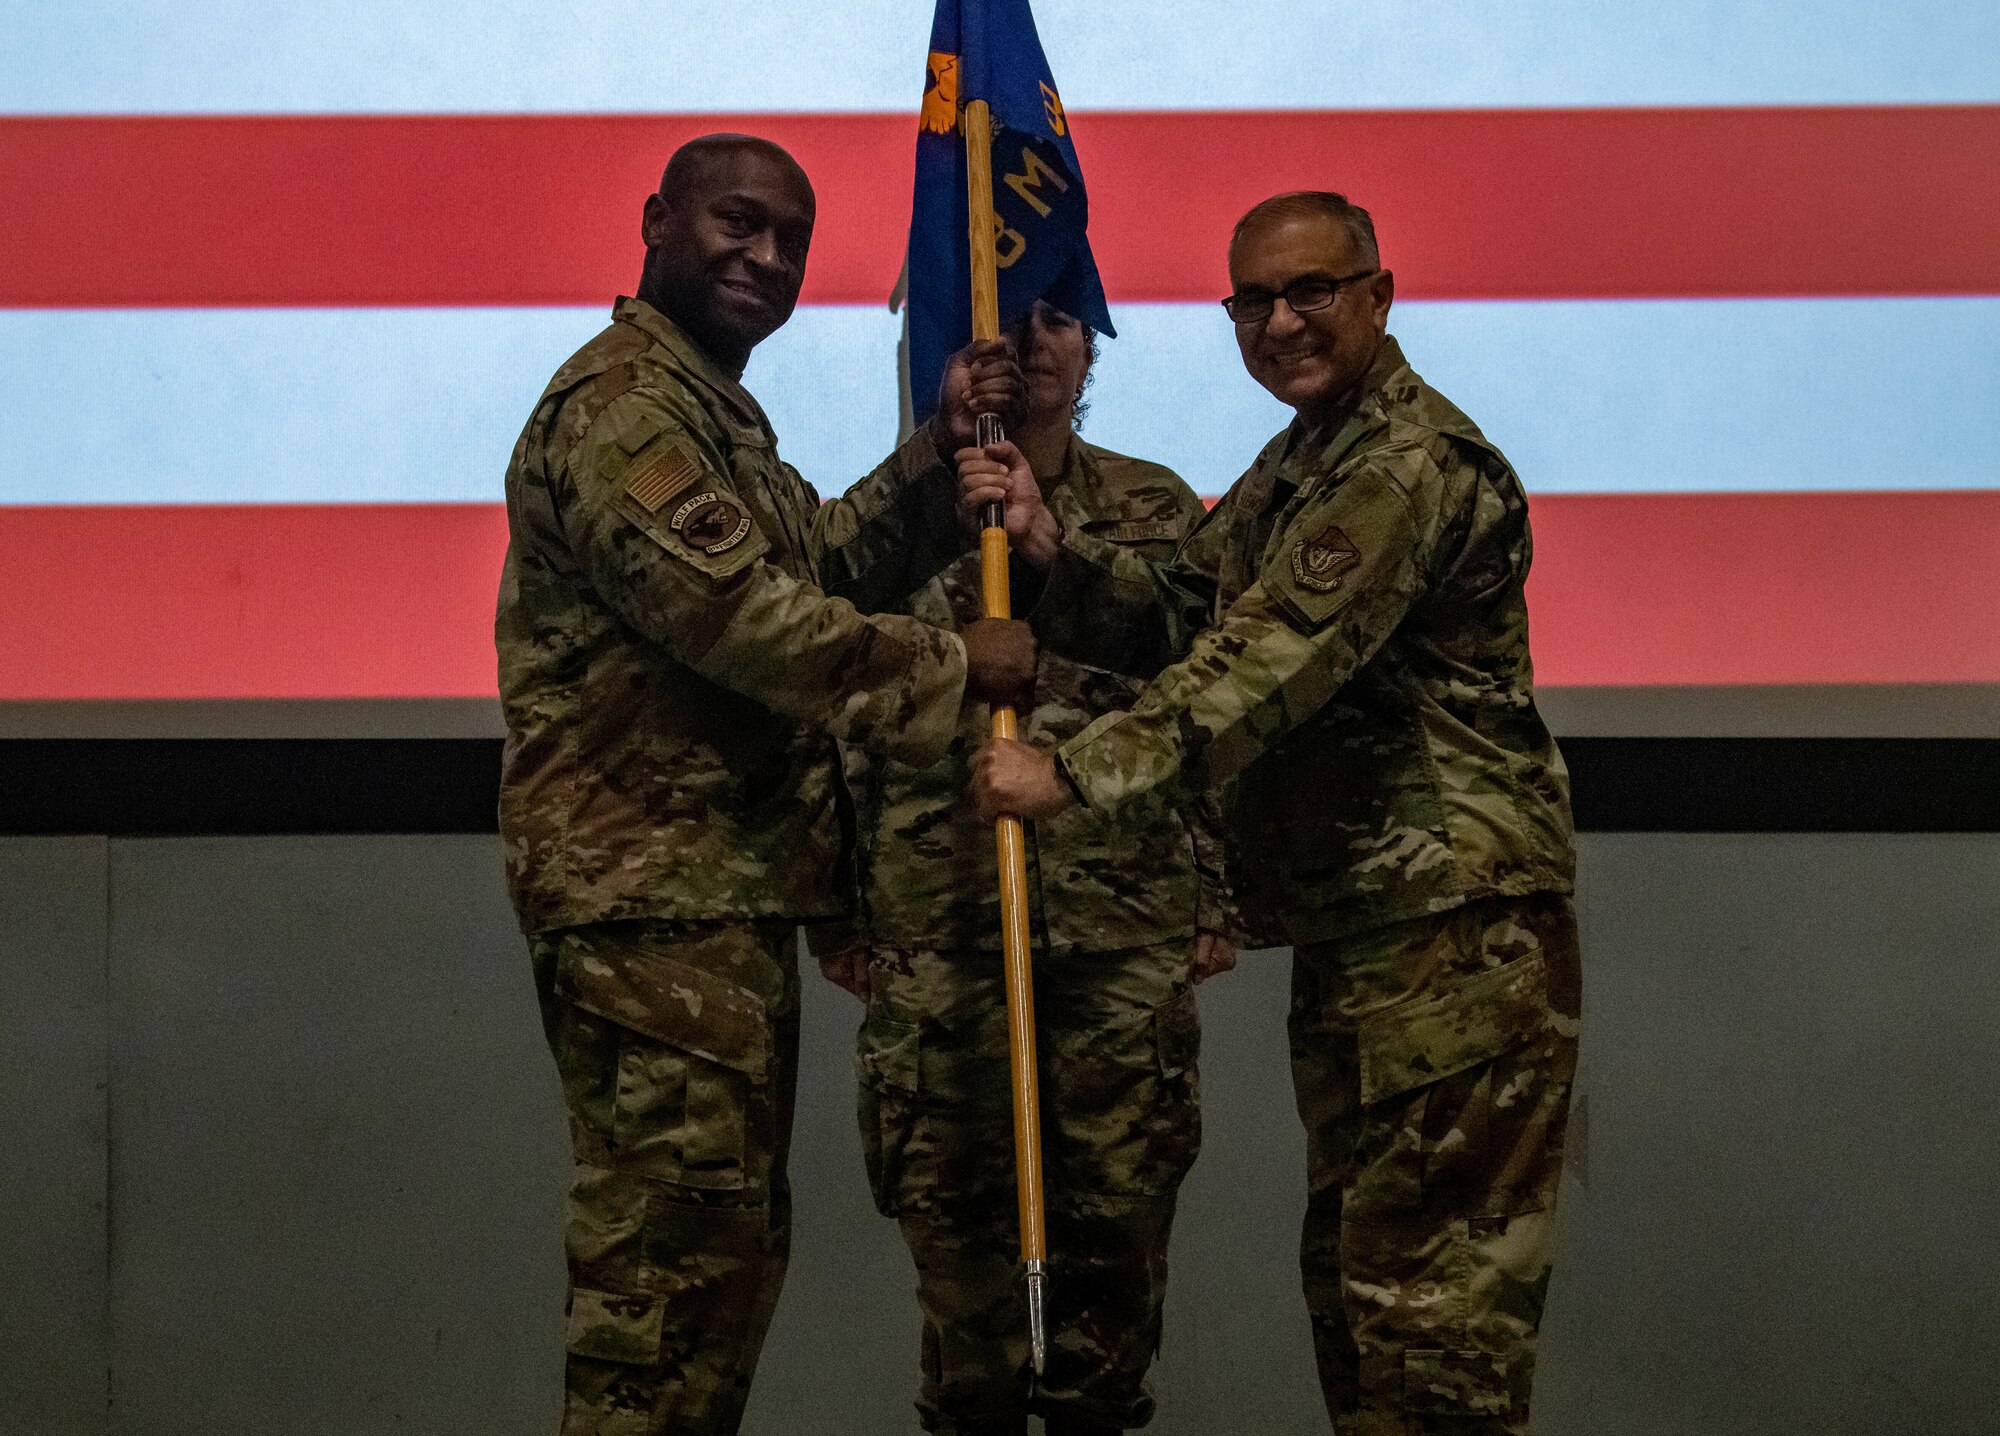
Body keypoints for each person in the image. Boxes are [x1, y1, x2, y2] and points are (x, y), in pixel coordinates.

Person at [960, 192, 1580, 1435]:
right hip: (1370, 937)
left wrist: (1070, 776)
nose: (1282, 321)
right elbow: (1186, 601)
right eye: (1254, 300)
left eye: (1313, 291)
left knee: (1431, 1334)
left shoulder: (1402, 462)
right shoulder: (1306, 458)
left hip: (1451, 941)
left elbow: (1260, 663)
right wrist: (1049, 551)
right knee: (1365, 1308)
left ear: (1379, 296)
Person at [495, 133, 1035, 1436]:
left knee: (713, 1273)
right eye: (738, 224)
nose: (767, 258)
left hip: (709, 901)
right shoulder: (625, 405)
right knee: (664, 1291)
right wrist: (960, 660)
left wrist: (933, 447)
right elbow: (746, 621)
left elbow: (819, 564)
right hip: (653, 904)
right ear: (655, 221)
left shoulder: (712, 412)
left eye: (790, 240)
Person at [814, 299, 1240, 1436]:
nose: (1031, 343)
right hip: (936, 930)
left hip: (1118, 934)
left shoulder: (1150, 503)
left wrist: (1214, 890)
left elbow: (1217, 685)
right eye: (1007, 318)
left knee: (1106, 1294)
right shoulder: (896, 518)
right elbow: (812, 698)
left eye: (1059, 317)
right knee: (967, 1311)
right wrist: (833, 905)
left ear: (1091, 345)